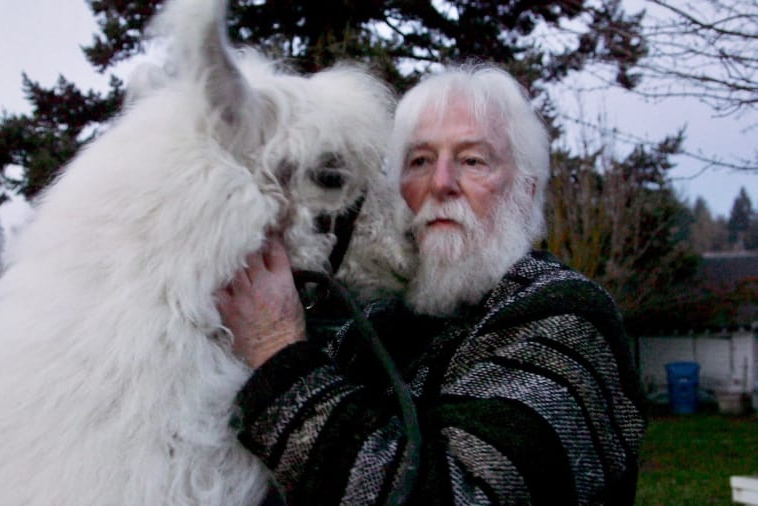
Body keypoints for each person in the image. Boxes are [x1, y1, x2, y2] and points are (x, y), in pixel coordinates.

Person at [216, 64, 646, 505]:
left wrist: (279, 352)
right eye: (420, 161)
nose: (440, 184)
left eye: (473, 160)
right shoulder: (378, 323)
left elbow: (465, 495)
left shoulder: (565, 315)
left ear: (526, 190)